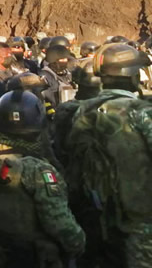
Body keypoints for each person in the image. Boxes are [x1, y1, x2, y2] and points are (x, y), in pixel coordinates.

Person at [0, 90, 85, 267]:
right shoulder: (38, 169)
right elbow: (58, 222)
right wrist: (78, 243)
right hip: (38, 257)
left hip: (4, 253)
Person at [65, 43, 152, 267]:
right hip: (139, 224)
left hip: (96, 219)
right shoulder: (141, 112)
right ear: (132, 76)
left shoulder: (82, 112)